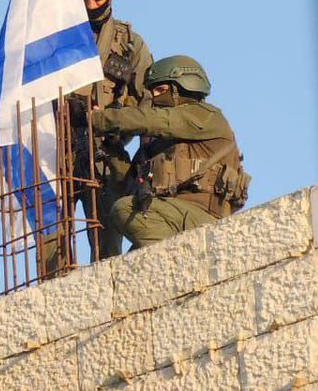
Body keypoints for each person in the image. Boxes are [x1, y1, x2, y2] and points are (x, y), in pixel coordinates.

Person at [90, 55, 249, 248]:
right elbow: (128, 184)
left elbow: (148, 120)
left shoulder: (205, 116)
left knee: (124, 209)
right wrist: (113, 148)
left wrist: (100, 119)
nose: (155, 98)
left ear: (182, 88)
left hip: (204, 217)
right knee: (135, 256)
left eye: (160, 90)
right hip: (171, 216)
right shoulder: (160, 145)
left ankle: (180, 259)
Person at [69, 0, 153, 260]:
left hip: (105, 155)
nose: (91, 4)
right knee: (52, 247)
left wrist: (112, 120)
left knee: (107, 250)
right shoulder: (51, 38)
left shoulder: (129, 44)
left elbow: (150, 105)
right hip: (55, 154)